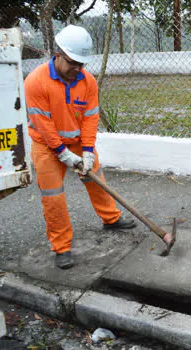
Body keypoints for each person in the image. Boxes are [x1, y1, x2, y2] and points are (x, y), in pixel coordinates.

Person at [24, 25, 136, 270]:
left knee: (97, 181)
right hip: (46, 146)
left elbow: (90, 117)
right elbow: (43, 124)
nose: (77, 68)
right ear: (59, 53)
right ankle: (61, 247)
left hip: (78, 142)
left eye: (82, 64)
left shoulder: (88, 82)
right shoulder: (36, 81)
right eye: (73, 62)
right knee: (53, 198)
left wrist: (87, 150)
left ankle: (111, 219)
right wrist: (62, 154)